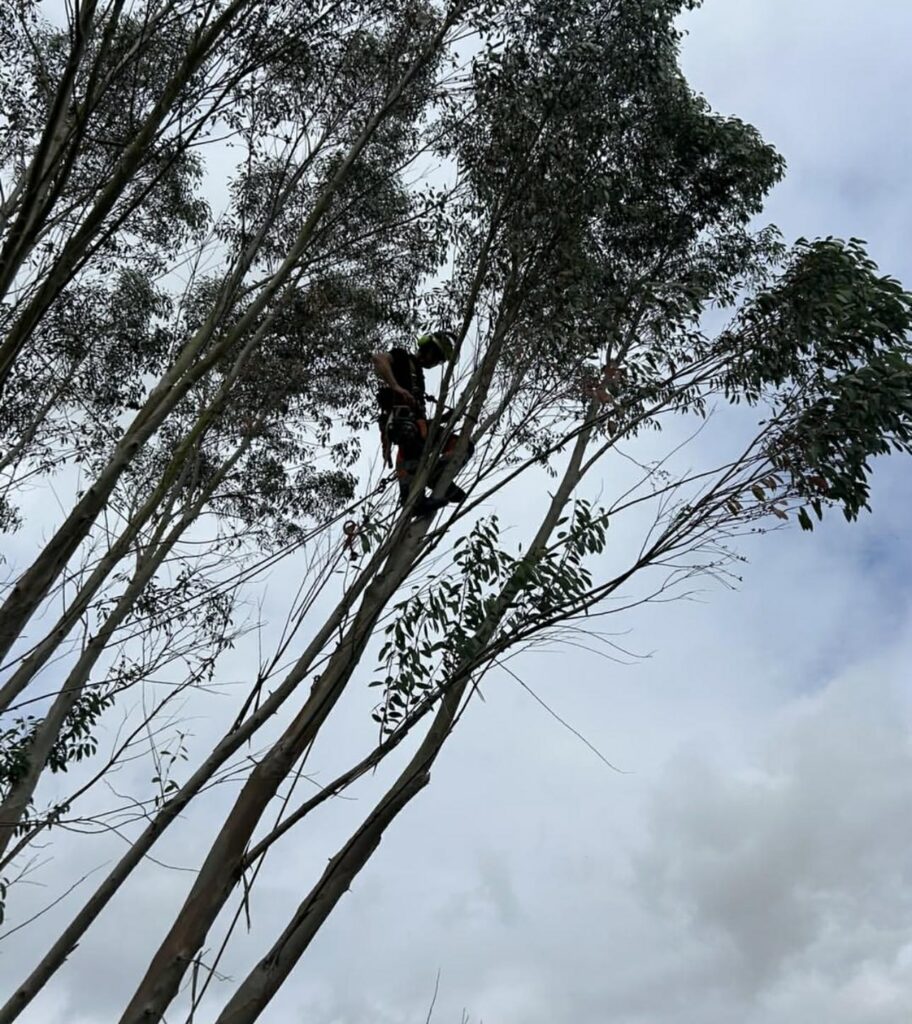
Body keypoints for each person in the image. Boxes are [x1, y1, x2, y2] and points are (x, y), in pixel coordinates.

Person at [372, 331, 471, 516]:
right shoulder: (402, 357)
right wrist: (396, 386)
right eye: (437, 358)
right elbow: (378, 359)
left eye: (440, 361)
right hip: (403, 425)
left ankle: (436, 475)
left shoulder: (420, 380)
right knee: (410, 438)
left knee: (464, 445)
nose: (436, 364)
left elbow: (422, 421)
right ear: (428, 350)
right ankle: (413, 498)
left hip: (418, 428)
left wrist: (443, 419)